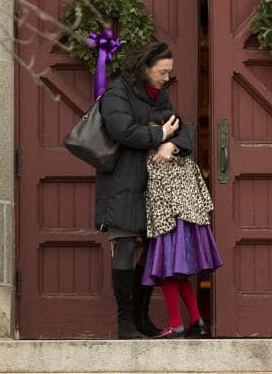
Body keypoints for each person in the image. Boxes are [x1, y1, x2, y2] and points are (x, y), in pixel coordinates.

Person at [96, 41, 193, 339]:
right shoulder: (116, 93)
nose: (167, 78)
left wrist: (172, 143)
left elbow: (183, 131)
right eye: (162, 72)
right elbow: (123, 130)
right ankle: (125, 323)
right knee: (124, 251)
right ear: (144, 68)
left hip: (154, 190)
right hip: (122, 185)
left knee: (152, 255)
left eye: (169, 73)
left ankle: (140, 318)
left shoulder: (160, 97)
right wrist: (160, 134)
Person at [142, 109, 223, 339]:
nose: (151, 133)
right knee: (179, 275)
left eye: (153, 128)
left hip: (168, 222)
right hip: (191, 223)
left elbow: (153, 192)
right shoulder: (186, 158)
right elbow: (202, 193)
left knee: (167, 272)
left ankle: (176, 325)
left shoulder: (155, 156)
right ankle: (197, 320)